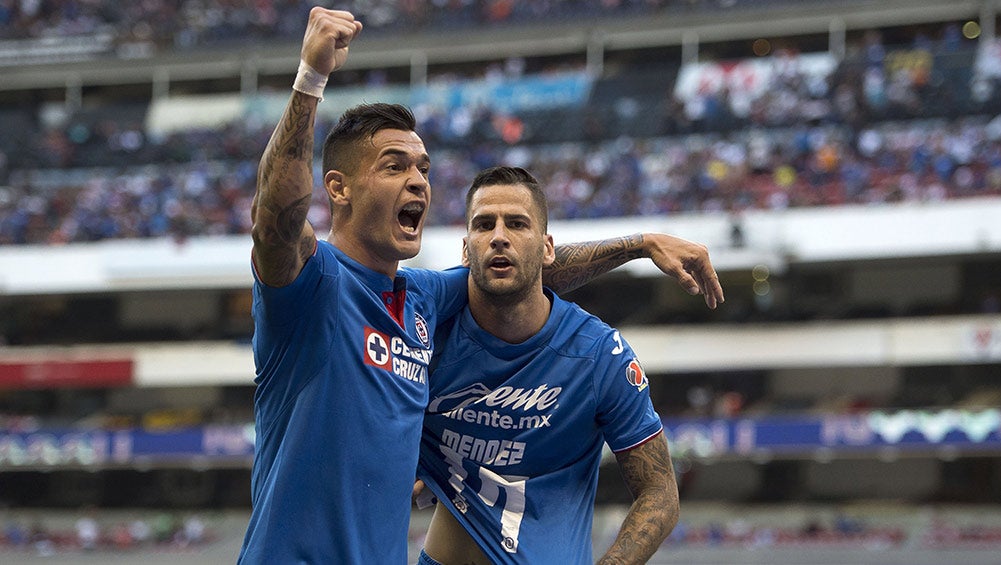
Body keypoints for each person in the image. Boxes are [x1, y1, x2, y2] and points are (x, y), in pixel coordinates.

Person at [240, 8, 722, 563]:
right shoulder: (311, 284)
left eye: (423, 168)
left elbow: (521, 274)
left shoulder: (422, 300)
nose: (418, 180)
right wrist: (310, 80)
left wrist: (637, 245)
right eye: (395, 166)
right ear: (339, 189)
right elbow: (273, 219)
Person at [417, 166, 681, 564]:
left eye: (517, 224)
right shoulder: (426, 331)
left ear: (547, 247)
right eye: (484, 224)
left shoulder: (598, 356)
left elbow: (660, 492)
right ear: (467, 248)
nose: (499, 236)